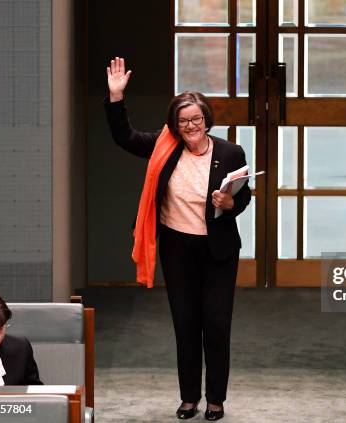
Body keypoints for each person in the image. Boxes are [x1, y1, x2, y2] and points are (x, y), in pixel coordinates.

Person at [105, 57, 251, 421]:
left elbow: (245, 196)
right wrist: (116, 97)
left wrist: (230, 202)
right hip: (178, 248)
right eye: (183, 121)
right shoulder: (163, 147)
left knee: (216, 325)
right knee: (186, 324)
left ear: (207, 120)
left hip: (218, 251)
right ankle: (189, 398)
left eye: (196, 120)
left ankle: (216, 400)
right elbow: (124, 137)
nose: (190, 126)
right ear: (174, 125)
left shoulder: (230, 152)